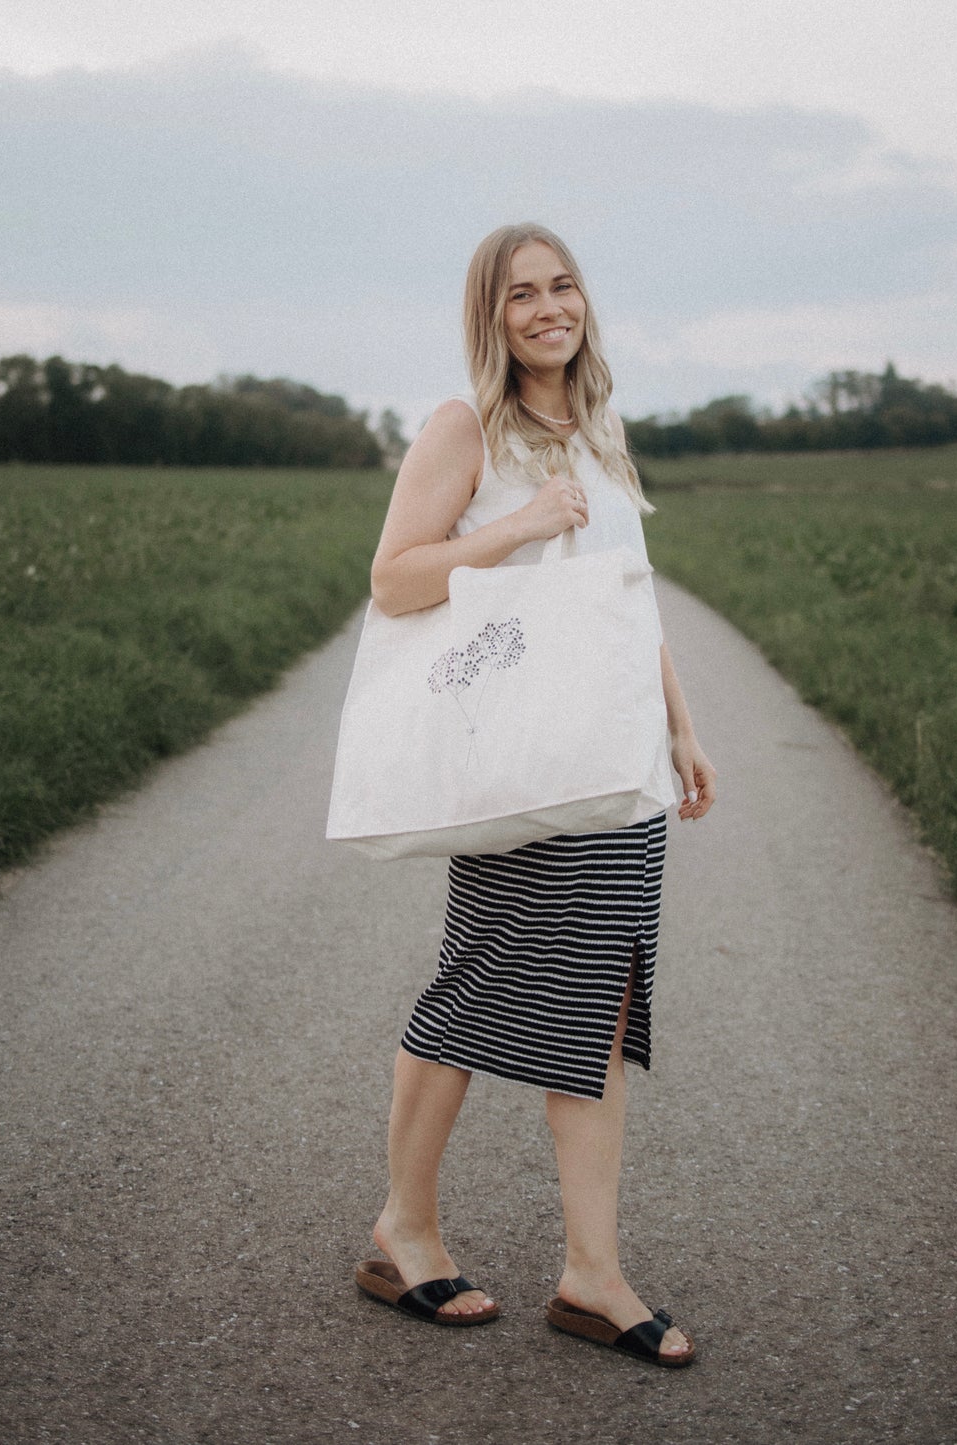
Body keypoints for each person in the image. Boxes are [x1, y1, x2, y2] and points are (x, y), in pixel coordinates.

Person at [353, 222, 716, 1367]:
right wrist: (516, 523)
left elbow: (628, 595)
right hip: (517, 758)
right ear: (492, 315)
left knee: (600, 1010)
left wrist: (681, 722)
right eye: (522, 294)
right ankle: (400, 1231)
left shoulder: (599, 430)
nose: (548, 306)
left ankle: (589, 1271)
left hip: (615, 768)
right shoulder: (464, 427)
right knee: (476, 988)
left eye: (562, 287)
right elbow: (395, 575)